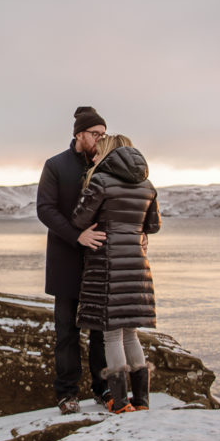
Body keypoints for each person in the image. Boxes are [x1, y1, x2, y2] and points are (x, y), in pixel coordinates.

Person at [71, 133, 161, 413]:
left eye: (99, 152)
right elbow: (153, 225)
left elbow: (80, 219)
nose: (94, 156)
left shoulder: (101, 182)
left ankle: (120, 402)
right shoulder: (148, 185)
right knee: (130, 333)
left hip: (108, 265)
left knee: (111, 335)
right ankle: (142, 401)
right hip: (137, 265)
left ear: (109, 153)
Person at [37, 106, 110, 415]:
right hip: (66, 259)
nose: (100, 139)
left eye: (103, 135)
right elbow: (45, 209)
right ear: (79, 134)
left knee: (100, 332)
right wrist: (76, 236)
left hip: (99, 261)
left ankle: (103, 388)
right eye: (95, 134)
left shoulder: (107, 165)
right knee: (66, 332)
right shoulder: (55, 165)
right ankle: (67, 394)